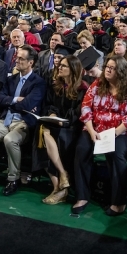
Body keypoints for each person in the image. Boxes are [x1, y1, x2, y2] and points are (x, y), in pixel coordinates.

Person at [72, 56, 127, 216]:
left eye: (112, 68)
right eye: (107, 67)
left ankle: (119, 201)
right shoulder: (97, 84)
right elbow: (86, 107)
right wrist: (91, 131)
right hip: (95, 129)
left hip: (122, 132)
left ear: (121, 71)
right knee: (81, 149)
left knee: (116, 155)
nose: (108, 70)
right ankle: (82, 196)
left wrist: (112, 134)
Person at [0, 45, 46, 195]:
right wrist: (15, 99)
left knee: (10, 139)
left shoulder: (38, 82)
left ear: (30, 62)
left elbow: (28, 104)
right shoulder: (11, 79)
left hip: (23, 122)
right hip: (5, 119)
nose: (16, 60)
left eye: (21, 58)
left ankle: (13, 179)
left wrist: (12, 103)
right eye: (17, 57)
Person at [34, 54, 88, 205]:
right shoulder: (57, 85)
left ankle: (60, 188)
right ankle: (60, 182)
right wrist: (52, 114)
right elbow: (50, 104)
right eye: (59, 65)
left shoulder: (82, 88)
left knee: (57, 135)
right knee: (41, 129)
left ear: (72, 69)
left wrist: (63, 121)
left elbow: (79, 113)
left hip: (72, 127)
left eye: (63, 66)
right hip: (57, 123)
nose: (59, 67)